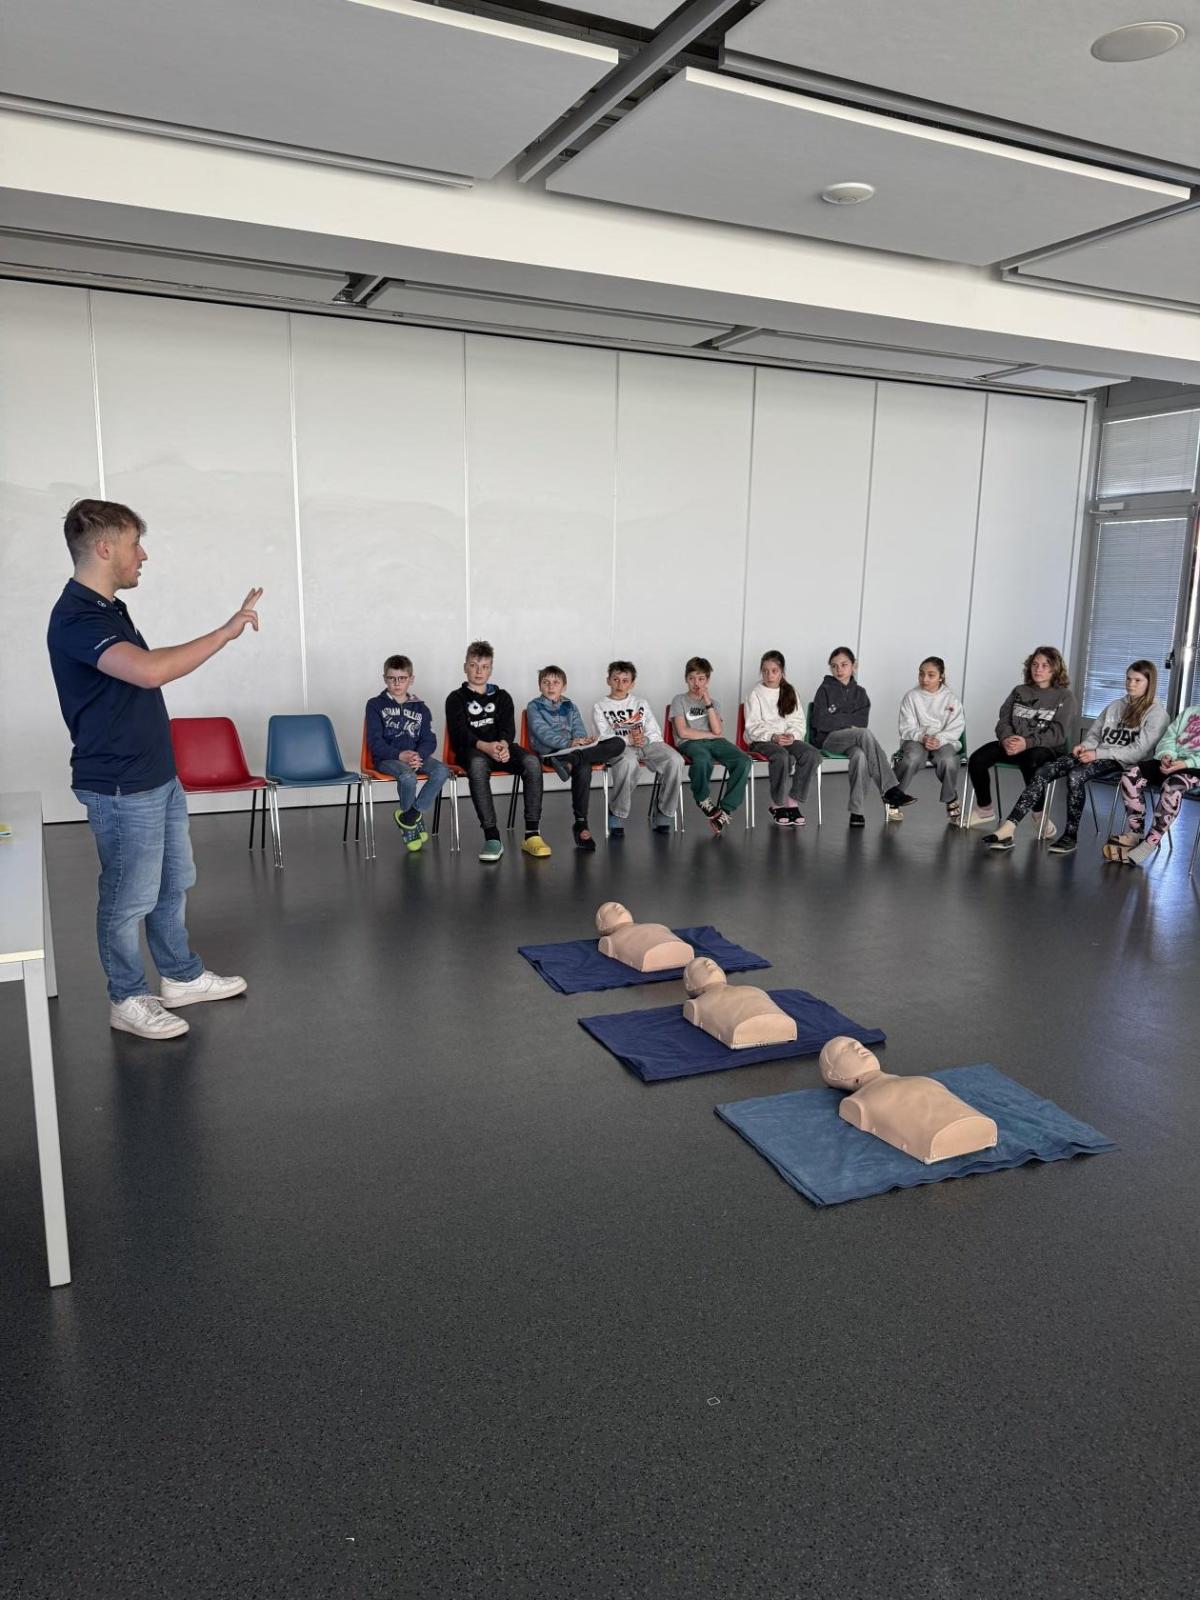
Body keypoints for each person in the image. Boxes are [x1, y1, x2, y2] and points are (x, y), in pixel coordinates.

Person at [46, 499, 256, 1041]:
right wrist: (225, 632)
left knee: (172, 884)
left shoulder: (109, 608)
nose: (144, 555)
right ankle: (127, 997)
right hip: (120, 786)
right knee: (127, 897)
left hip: (156, 776)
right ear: (104, 548)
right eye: (135, 544)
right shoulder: (76, 618)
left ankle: (180, 976)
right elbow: (148, 671)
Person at [983, 659, 1168, 856]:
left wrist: (1097, 753)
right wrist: (1085, 746)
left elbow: (1138, 751)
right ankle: (1009, 828)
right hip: (1096, 754)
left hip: (1123, 762)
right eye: (1128, 679)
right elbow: (1095, 734)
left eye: (1137, 680)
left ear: (1150, 683)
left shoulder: (1157, 714)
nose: (1130, 684)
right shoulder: (1116, 705)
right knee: (1045, 770)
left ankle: (1070, 836)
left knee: (1076, 775)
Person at [445, 640, 551, 863]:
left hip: (501, 747)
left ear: (491, 669)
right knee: (477, 765)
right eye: (474, 665)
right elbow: (459, 733)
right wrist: (486, 747)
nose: (479, 671)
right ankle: (492, 836)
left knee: (532, 762)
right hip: (472, 750)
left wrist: (502, 745)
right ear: (465, 667)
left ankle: (532, 834)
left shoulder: (503, 696)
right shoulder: (455, 698)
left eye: (484, 666)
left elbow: (508, 729)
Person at [967, 647, 1078, 838]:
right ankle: (984, 808)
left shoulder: (1065, 696)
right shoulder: (1019, 691)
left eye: (1045, 665)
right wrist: (1007, 739)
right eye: (1035, 664)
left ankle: (1039, 814)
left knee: (1031, 762)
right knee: (977, 759)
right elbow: (1003, 720)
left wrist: (1026, 743)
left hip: (1045, 749)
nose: (1038, 669)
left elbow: (1058, 734)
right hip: (1013, 743)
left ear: (1055, 669)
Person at [810, 646, 914, 828]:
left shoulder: (861, 693)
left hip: (852, 740)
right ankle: (889, 789)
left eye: (844, 665)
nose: (839, 670)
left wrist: (837, 717)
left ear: (854, 666)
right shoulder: (824, 689)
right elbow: (820, 722)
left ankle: (857, 812)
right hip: (828, 740)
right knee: (863, 734)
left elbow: (861, 721)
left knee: (860, 756)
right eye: (834, 666)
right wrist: (847, 721)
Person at [526, 666, 624, 852]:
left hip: (573, 751)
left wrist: (582, 741)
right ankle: (581, 824)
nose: (550, 686)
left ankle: (572, 760)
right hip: (552, 754)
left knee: (618, 742)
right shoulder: (534, 706)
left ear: (564, 686)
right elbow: (543, 733)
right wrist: (570, 742)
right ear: (539, 686)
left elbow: (579, 729)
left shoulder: (570, 706)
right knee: (584, 766)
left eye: (556, 682)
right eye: (546, 682)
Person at [365, 654, 449, 853]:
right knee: (408, 776)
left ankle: (410, 817)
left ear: (411, 679)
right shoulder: (375, 705)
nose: (397, 683)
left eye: (402, 678)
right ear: (384, 679)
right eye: (392, 678)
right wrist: (400, 755)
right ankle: (411, 826)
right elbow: (374, 741)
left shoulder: (421, 708)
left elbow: (430, 739)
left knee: (441, 771)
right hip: (388, 758)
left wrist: (418, 756)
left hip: (416, 756)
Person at [592, 660, 685, 835]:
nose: (620, 684)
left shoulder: (641, 703)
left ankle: (664, 810)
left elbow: (654, 731)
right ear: (608, 680)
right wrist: (628, 739)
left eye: (625, 680)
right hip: (620, 746)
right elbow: (602, 736)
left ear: (632, 683)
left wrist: (646, 739)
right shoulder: (600, 706)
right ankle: (617, 812)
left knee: (675, 760)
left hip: (645, 743)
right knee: (628, 763)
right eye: (616, 679)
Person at [1103, 701, 1200, 865]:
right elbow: (1169, 738)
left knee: (1172, 787)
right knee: (1131, 775)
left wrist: (1186, 763)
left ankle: (1150, 842)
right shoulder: (1191, 711)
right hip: (1173, 762)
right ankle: (1136, 832)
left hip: (1195, 768)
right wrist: (1167, 755)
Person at [669, 656, 753, 836]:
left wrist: (707, 703)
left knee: (744, 760)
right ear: (686, 679)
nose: (696, 683)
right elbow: (683, 732)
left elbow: (718, 730)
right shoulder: (679, 700)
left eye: (701, 679)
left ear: (707, 680)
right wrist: (710, 734)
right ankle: (702, 799)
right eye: (692, 678)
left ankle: (725, 810)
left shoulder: (714, 704)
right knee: (702, 759)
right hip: (690, 743)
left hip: (716, 743)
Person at [743, 649, 822, 827]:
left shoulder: (789, 691)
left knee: (812, 754)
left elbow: (798, 720)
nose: (769, 675)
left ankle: (792, 802)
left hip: (786, 738)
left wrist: (792, 735)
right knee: (781, 756)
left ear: (782, 672)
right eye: (765, 671)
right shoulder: (754, 693)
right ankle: (777, 804)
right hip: (761, 740)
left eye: (774, 671)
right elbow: (752, 726)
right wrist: (773, 736)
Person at [892, 657, 966, 823]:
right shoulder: (911, 697)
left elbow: (956, 727)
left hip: (943, 740)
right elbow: (906, 727)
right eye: (921, 674)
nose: (924, 679)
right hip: (916, 739)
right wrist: (923, 737)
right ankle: (894, 794)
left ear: (941, 676)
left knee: (948, 760)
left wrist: (939, 739)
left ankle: (950, 797)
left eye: (931, 675)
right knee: (912, 758)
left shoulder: (951, 698)